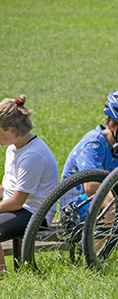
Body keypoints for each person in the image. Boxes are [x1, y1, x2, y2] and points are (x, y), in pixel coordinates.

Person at [59, 89, 118, 210]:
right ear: (113, 126)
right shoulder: (94, 143)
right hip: (77, 206)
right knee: (115, 202)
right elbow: (91, 188)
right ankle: (102, 229)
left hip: (111, 199)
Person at [0, 95, 59, 272]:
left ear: (11, 130)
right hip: (19, 208)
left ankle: (1, 277)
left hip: (34, 213)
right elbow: (9, 188)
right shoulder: (13, 148)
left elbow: (17, 201)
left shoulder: (33, 155)